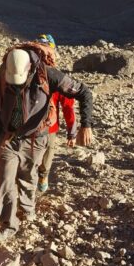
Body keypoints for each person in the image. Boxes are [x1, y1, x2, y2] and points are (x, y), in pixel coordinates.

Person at [0, 42, 93, 241]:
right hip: (9, 137)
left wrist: (84, 125)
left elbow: (83, 92)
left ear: (30, 68)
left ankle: (28, 210)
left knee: (28, 177)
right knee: (5, 180)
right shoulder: (1, 79)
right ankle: (8, 225)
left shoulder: (48, 75)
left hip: (37, 138)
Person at [35, 35, 77, 193]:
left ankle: (43, 175)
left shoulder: (57, 78)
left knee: (46, 157)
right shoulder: (25, 73)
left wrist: (72, 132)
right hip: (33, 126)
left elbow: (67, 106)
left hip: (48, 127)